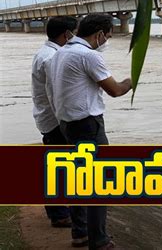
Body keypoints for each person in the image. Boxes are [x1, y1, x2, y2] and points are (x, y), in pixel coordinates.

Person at [47, 14, 132, 249]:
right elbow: (115, 90)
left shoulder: (60, 53)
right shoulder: (89, 56)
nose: (107, 41)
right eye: (109, 36)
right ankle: (99, 240)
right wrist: (131, 80)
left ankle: (80, 233)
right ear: (100, 35)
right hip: (88, 125)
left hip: (66, 124)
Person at [31, 16, 77, 228]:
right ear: (66, 34)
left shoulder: (46, 53)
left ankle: (58, 211)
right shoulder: (52, 58)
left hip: (47, 117)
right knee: (59, 167)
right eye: (73, 32)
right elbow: (55, 94)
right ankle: (59, 214)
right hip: (55, 120)